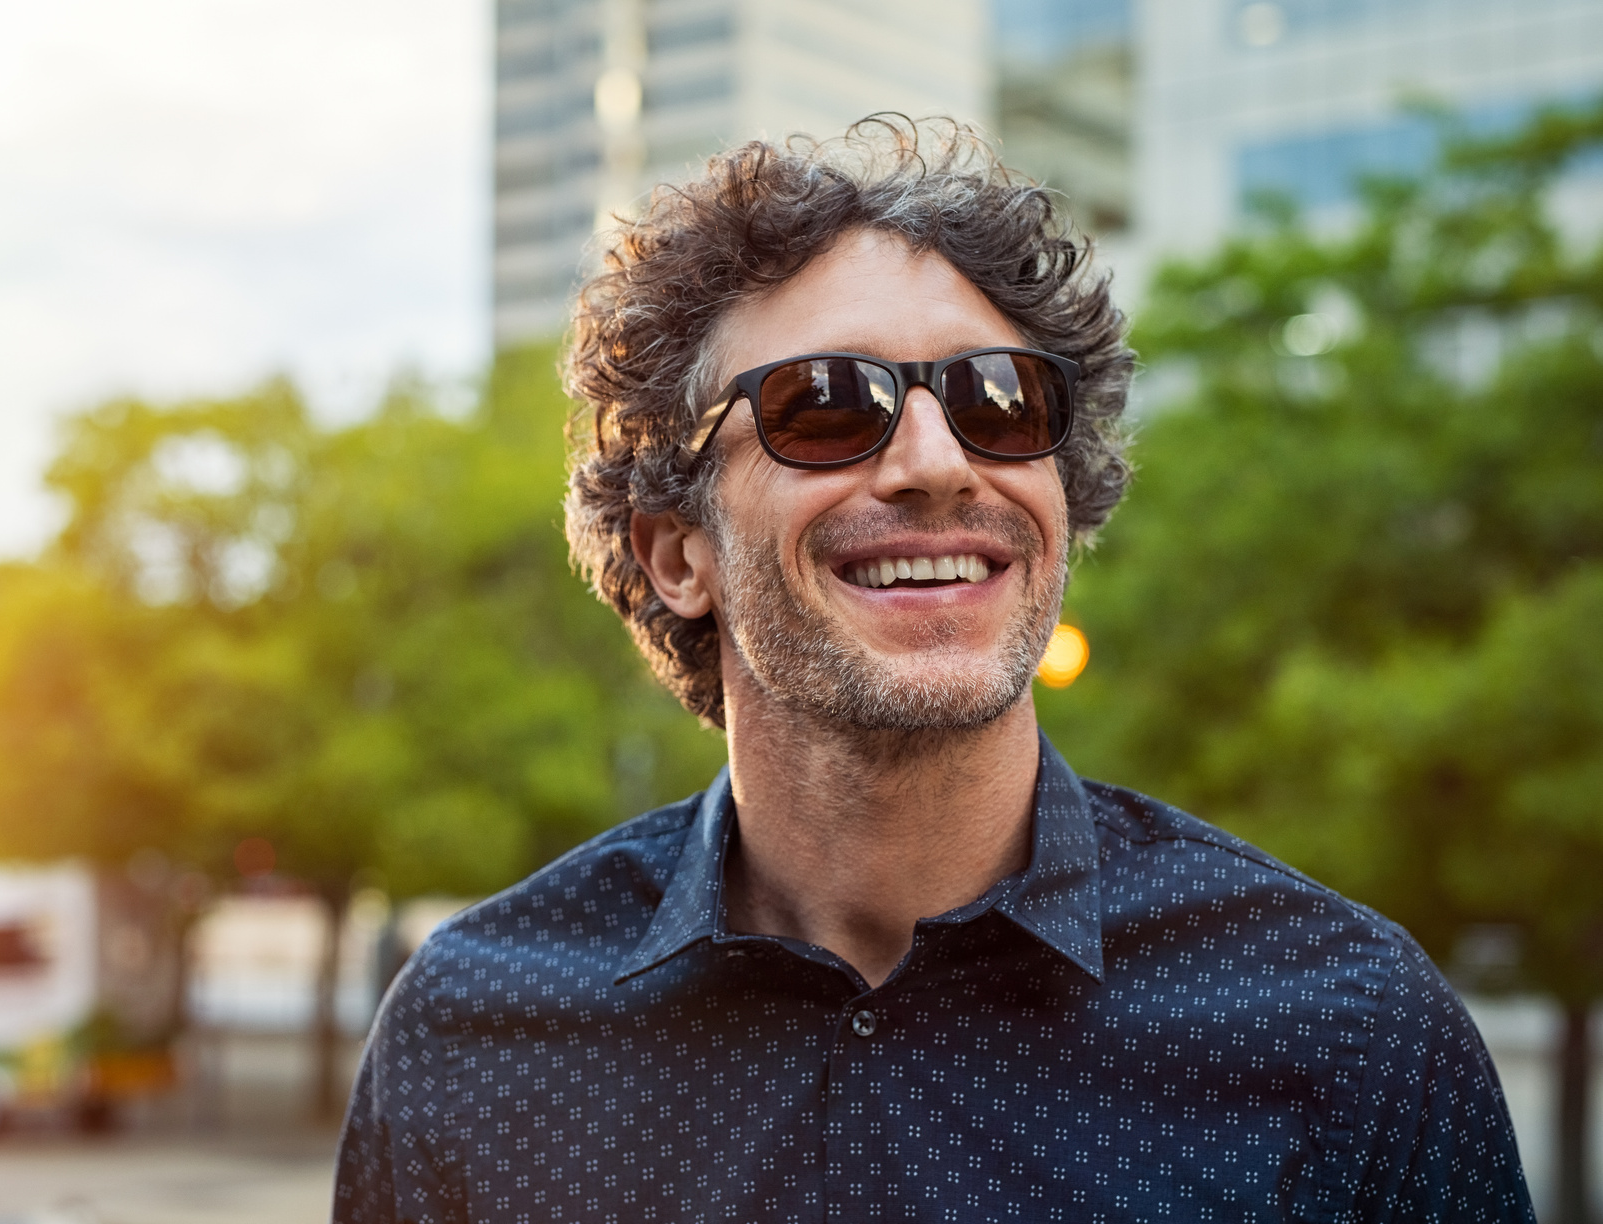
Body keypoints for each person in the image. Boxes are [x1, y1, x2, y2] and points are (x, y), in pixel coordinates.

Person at [334, 119, 1531, 1221]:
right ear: (676, 551)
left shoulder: (1353, 1033)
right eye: (822, 406)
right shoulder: (466, 1043)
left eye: (998, 403)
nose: (935, 461)